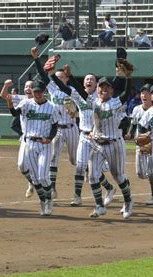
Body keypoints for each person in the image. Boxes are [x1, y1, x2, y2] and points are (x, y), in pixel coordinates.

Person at [61, 68, 116, 207]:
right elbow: (64, 87)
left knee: (94, 171)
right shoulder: (79, 96)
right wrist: (55, 76)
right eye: (86, 79)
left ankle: (109, 188)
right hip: (84, 136)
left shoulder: (100, 100)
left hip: (98, 138)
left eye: (92, 79)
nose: (89, 81)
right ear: (84, 83)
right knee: (80, 166)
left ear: (97, 84)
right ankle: (77, 196)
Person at [7, 79, 60, 216]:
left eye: (39, 91)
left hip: (44, 144)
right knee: (35, 178)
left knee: (43, 176)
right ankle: (43, 201)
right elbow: (15, 114)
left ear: (44, 92)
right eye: (35, 91)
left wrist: (49, 138)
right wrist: (9, 105)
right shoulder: (26, 103)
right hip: (29, 143)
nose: (37, 94)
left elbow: (55, 126)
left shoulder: (52, 107)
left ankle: (48, 200)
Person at [86, 69, 134, 219]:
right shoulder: (93, 102)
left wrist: (127, 77)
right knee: (93, 176)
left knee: (118, 176)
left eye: (107, 87)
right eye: (101, 86)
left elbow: (126, 93)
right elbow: (73, 91)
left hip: (115, 144)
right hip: (97, 144)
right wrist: (69, 76)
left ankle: (128, 201)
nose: (104, 89)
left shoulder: (115, 102)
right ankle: (99, 206)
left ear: (112, 90)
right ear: (97, 89)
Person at [32, 49, 79, 199]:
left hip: (71, 128)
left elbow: (80, 108)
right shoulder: (52, 89)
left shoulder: (71, 91)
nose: (57, 79)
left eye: (60, 77)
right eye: (56, 77)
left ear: (66, 79)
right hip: (57, 128)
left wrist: (75, 111)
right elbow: (42, 74)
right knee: (53, 158)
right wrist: (36, 58)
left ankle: (93, 175)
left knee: (74, 160)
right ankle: (52, 189)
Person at [0, 79, 35, 198]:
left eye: (31, 86)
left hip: (40, 139)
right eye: (26, 86)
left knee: (40, 167)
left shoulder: (43, 102)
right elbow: (4, 95)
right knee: (21, 165)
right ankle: (32, 182)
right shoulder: (21, 99)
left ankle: (47, 192)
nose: (28, 88)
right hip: (26, 137)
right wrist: (5, 85)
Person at [125, 83, 153, 205]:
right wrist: (129, 134)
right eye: (142, 93)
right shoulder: (136, 109)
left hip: (152, 145)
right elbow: (133, 125)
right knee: (140, 173)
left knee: (150, 172)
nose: (144, 95)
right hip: (139, 144)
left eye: (147, 93)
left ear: (152, 96)